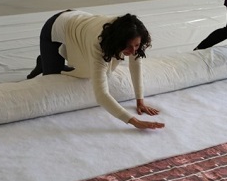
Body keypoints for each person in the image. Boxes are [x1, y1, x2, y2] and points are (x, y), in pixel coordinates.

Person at [27, 10, 165, 129]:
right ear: (117, 42)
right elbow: (101, 95)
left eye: (136, 45)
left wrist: (140, 101)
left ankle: (47, 60)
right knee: (52, 79)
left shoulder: (132, 34)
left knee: (86, 68)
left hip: (80, 21)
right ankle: (44, 62)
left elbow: (135, 65)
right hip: (56, 25)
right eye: (128, 47)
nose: (133, 50)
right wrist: (133, 121)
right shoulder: (99, 43)